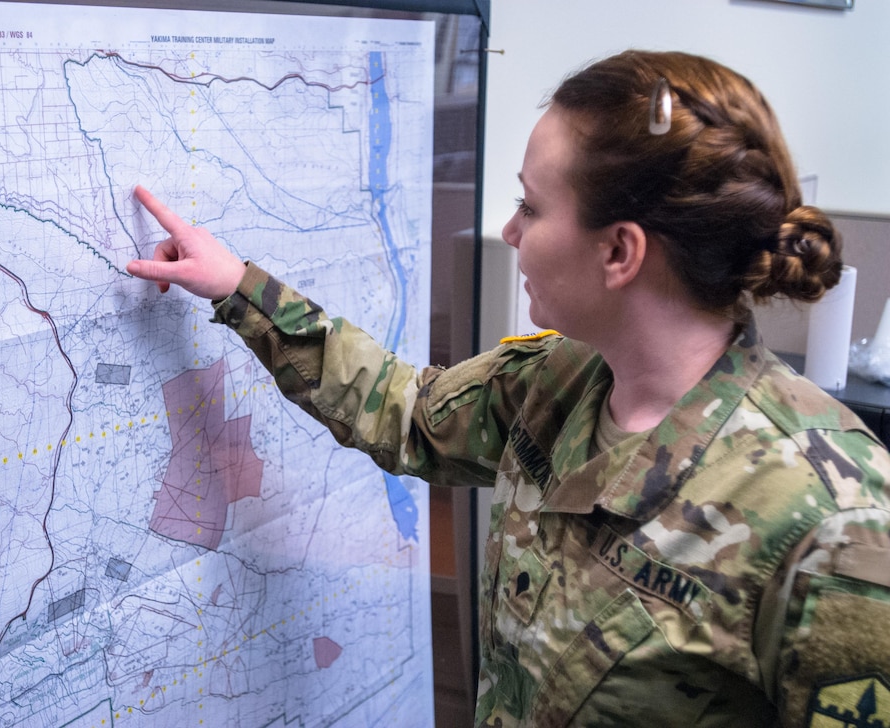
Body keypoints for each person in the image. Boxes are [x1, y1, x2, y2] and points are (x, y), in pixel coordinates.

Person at [126, 50, 890, 727]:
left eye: (531, 204)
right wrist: (237, 286)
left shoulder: (829, 517)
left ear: (620, 251)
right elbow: (405, 413)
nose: (513, 231)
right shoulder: (553, 382)